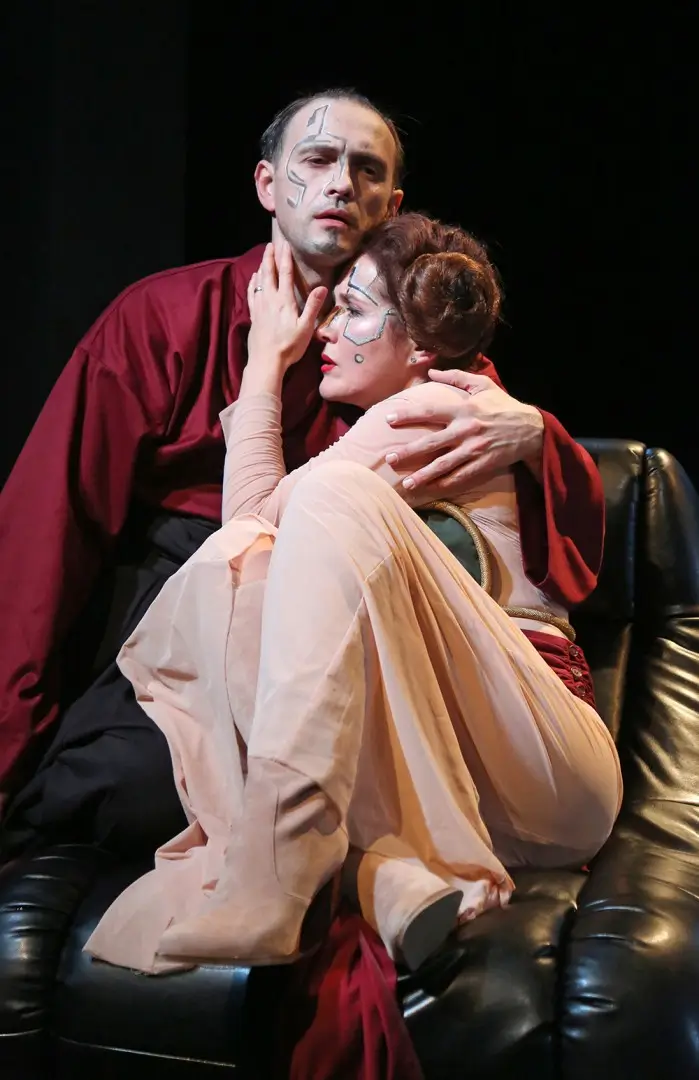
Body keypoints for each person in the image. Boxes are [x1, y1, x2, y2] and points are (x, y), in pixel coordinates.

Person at [0, 88, 604, 864]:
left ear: (391, 205)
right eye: (316, 160)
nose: (340, 183)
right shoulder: (165, 317)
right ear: (266, 184)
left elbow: (483, 436)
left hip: (340, 635)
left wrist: (536, 433)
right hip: (193, 588)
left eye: (366, 169)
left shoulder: (405, 325)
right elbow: (46, 532)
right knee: (127, 790)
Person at [83, 216, 622, 978]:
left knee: (307, 512)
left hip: (546, 767)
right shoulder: (447, 407)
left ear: (422, 347)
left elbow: (242, 528)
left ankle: (277, 861)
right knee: (263, 586)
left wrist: (262, 367)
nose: (327, 330)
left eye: (354, 311)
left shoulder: (426, 412)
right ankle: (383, 880)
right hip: (484, 789)